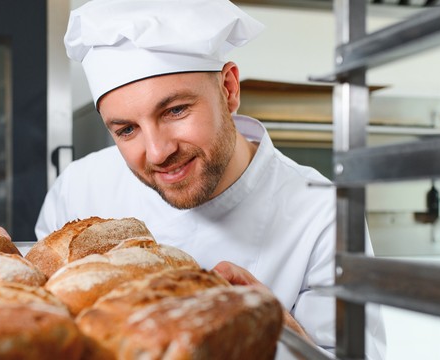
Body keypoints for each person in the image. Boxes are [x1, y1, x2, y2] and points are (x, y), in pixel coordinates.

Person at [31, 0, 386, 357]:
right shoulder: (79, 187)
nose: (157, 152)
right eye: (126, 130)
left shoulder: (324, 214)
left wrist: (281, 333)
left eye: (175, 110)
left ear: (229, 89)